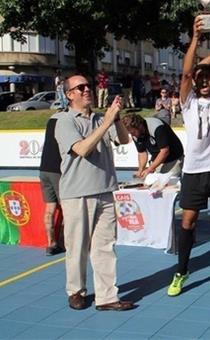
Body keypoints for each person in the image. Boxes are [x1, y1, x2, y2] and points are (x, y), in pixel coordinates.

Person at [167, 13, 210, 296]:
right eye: (201, 79)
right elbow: (186, 73)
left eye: (209, 78)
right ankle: (181, 271)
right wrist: (195, 38)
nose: (205, 81)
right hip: (194, 171)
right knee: (188, 221)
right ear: (195, 84)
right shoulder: (188, 101)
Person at [55, 75, 134, 311]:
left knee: (105, 247)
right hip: (78, 193)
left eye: (88, 85)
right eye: (80, 87)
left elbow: (123, 139)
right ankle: (76, 291)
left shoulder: (101, 118)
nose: (87, 89)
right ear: (70, 95)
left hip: (106, 189)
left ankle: (107, 296)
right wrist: (106, 122)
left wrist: (115, 118)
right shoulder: (64, 120)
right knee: (77, 247)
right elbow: (82, 149)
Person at [121, 113, 184, 179]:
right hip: (157, 159)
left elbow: (165, 151)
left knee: (170, 183)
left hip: (173, 159)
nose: (132, 135)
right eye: (130, 133)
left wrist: (150, 169)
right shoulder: (134, 133)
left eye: (133, 132)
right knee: (152, 184)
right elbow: (142, 152)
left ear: (140, 126)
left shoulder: (157, 127)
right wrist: (140, 170)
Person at [39, 112, 65, 256]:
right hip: (57, 169)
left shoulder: (51, 121)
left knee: (50, 209)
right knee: (67, 208)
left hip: (44, 168)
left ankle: (50, 243)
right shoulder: (66, 123)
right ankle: (63, 242)